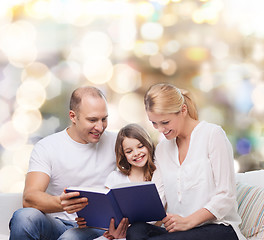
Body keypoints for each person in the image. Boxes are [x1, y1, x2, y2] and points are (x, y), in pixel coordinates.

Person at [126, 83, 246, 240]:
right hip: (181, 233)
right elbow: (157, 198)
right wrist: (125, 222)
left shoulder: (212, 135)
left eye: (165, 122)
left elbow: (226, 196)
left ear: (183, 110)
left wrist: (188, 221)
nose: (160, 129)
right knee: (136, 231)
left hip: (218, 229)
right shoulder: (163, 148)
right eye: (154, 123)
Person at [9, 86, 119, 240]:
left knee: (70, 238)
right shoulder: (47, 146)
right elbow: (29, 197)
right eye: (92, 120)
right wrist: (61, 203)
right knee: (23, 217)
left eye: (104, 119)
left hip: (97, 228)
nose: (100, 127)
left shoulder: (118, 143)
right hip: (57, 224)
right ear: (73, 116)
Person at [75, 123, 158, 240]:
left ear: (148, 144)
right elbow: (107, 213)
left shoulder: (158, 176)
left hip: (145, 234)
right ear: (123, 154)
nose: (136, 153)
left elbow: (159, 219)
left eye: (140, 146)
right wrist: (89, 222)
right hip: (115, 234)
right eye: (129, 151)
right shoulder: (115, 178)